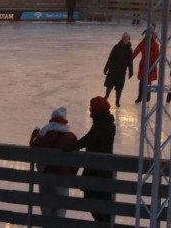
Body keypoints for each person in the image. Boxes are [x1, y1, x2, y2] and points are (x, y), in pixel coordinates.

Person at [29, 107, 80, 221]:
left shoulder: (44, 133)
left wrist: (35, 134)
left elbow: (33, 147)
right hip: (63, 176)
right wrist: (71, 175)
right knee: (61, 207)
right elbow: (76, 160)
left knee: (46, 206)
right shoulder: (71, 136)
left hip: (45, 175)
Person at [76, 96, 117, 224]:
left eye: (91, 108)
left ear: (96, 110)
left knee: (93, 198)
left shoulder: (100, 125)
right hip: (105, 171)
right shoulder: (109, 124)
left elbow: (86, 140)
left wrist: (69, 144)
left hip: (97, 171)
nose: (89, 110)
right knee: (103, 202)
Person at [103, 33, 134, 106]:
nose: (126, 40)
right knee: (109, 85)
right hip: (113, 69)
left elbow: (130, 62)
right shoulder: (116, 47)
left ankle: (117, 100)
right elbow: (110, 58)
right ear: (122, 39)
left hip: (122, 71)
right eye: (125, 39)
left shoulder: (129, 50)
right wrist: (106, 68)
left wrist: (131, 71)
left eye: (128, 39)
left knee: (119, 87)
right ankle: (106, 97)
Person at [133, 28, 162, 104]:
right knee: (142, 81)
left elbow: (158, 57)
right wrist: (129, 59)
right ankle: (140, 97)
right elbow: (136, 51)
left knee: (148, 81)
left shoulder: (155, 45)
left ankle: (148, 97)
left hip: (151, 65)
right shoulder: (142, 43)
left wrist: (154, 66)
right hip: (143, 65)